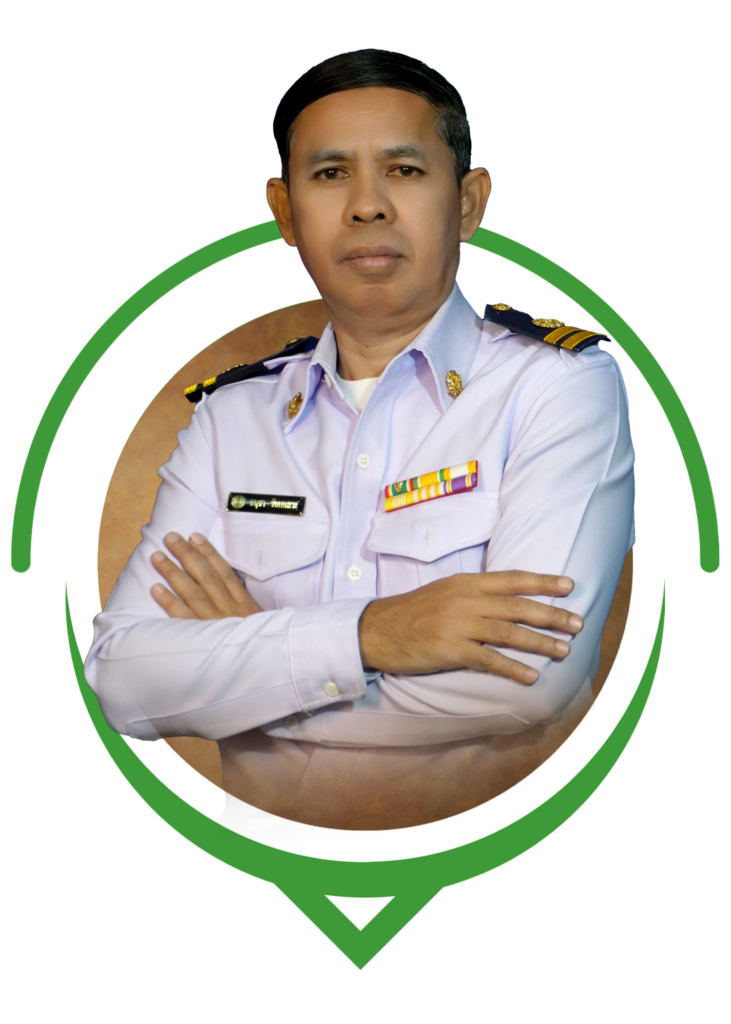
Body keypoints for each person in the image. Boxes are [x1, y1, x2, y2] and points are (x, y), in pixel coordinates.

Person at [84, 49, 634, 829]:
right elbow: (122, 678)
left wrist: (241, 678)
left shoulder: (558, 386)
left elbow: (528, 681)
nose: (367, 206)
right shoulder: (229, 419)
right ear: (284, 211)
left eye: (404, 170)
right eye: (330, 173)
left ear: (468, 202)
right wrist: (374, 634)